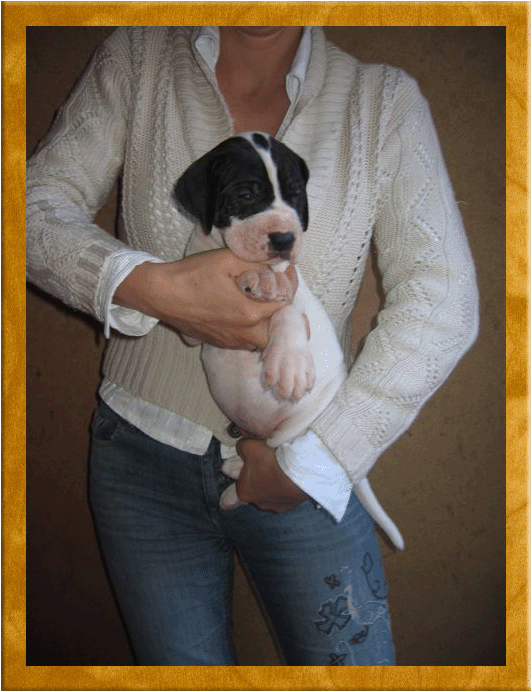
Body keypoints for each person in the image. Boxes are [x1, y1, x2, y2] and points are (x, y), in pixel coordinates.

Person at [26, 26, 479, 665]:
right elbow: (29, 209)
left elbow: (444, 298)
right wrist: (152, 288)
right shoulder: (138, 55)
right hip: (139, 455)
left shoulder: (381, 101)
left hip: (305, 446)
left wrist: (322, 460)